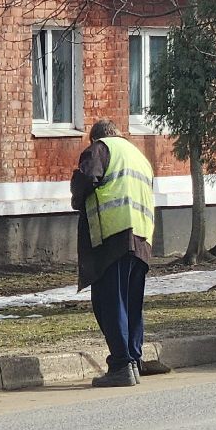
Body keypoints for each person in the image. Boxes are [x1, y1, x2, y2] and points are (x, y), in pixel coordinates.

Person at [71, 120, 157, 388]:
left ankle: (121, 365)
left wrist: (77, 196)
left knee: (110, 302)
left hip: (113, 235)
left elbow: (86, 179)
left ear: (96, 138)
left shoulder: (101, 149)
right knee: (131, 303)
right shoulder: (139, 156)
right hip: (142, 239)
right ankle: (133, 360)